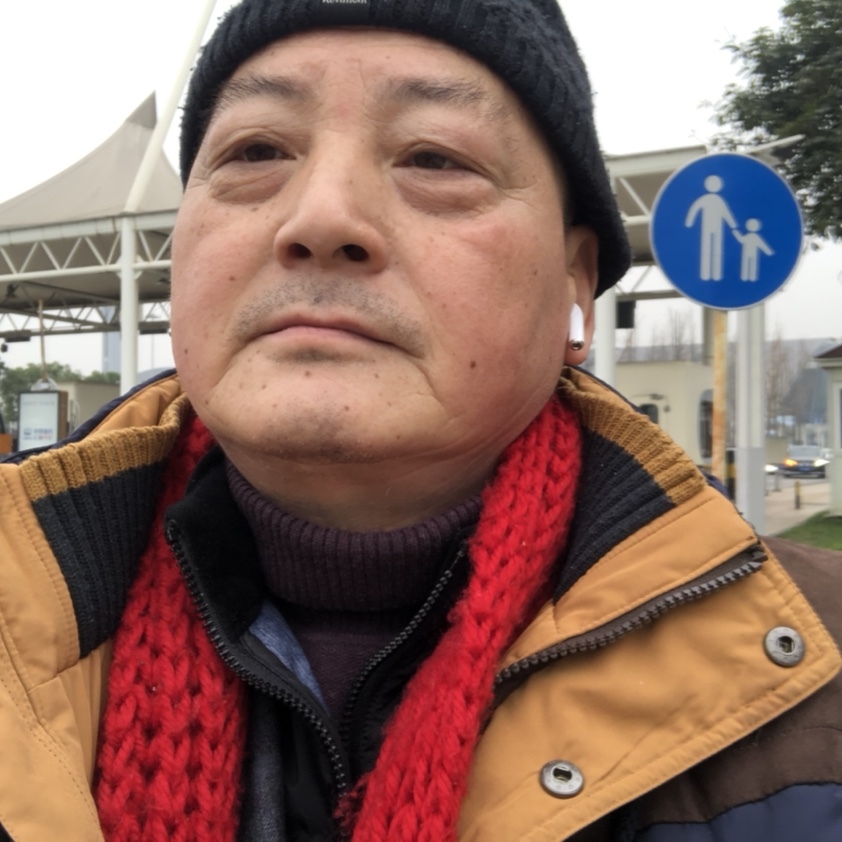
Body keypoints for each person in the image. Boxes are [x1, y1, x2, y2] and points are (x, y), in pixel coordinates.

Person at [1, 1, 840, 840]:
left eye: (435, 158)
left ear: (577, 285)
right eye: (256, 152)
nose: (321, 218)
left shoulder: (813, 682)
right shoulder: (21, 630)